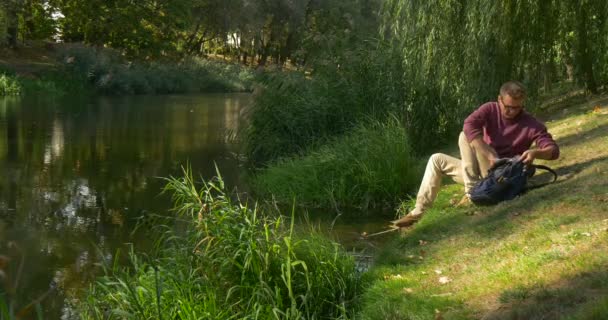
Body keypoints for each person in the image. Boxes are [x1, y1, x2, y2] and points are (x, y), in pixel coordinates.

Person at [392, 81, 560, 228]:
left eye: (516, 108)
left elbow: (553, 150)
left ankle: (472, 193)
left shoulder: (530, 124)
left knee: (465, 136)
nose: (511, 112)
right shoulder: (489, 109)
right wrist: (489, 153)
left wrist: (535, 152)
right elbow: (469, 124)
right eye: (507, 107)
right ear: (499, 99)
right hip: (482, 168)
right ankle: (418, 211)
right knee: (438, 158)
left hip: (501, 175)